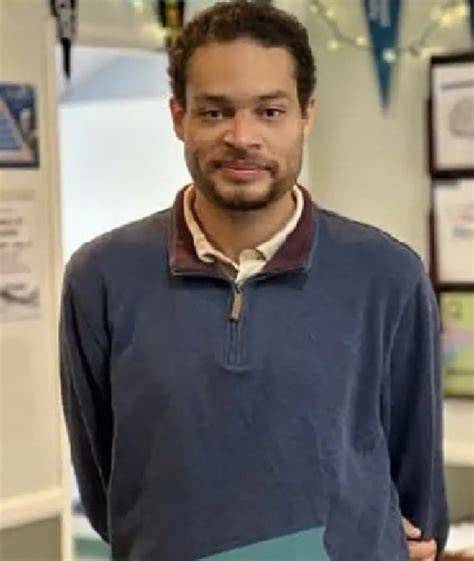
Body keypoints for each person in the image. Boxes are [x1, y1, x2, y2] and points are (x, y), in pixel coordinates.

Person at [59, 2, 449, 560]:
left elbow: (419, 496)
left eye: (270, 111)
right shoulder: (100, 278)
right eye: (215, 112)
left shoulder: (388, 276)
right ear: (178, 117)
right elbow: (109, 489)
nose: (242, 137)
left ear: (306, 115)